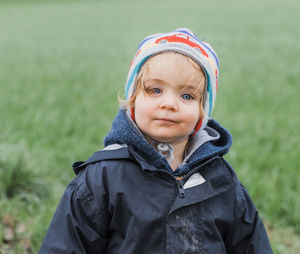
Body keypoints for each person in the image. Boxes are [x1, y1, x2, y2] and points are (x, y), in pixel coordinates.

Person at [39, 28, 273, 253]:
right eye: (155, 90)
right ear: (132, 100)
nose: (169, 103)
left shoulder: (221, 181)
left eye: (187, 95)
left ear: (202, 113)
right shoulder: (101, 179)